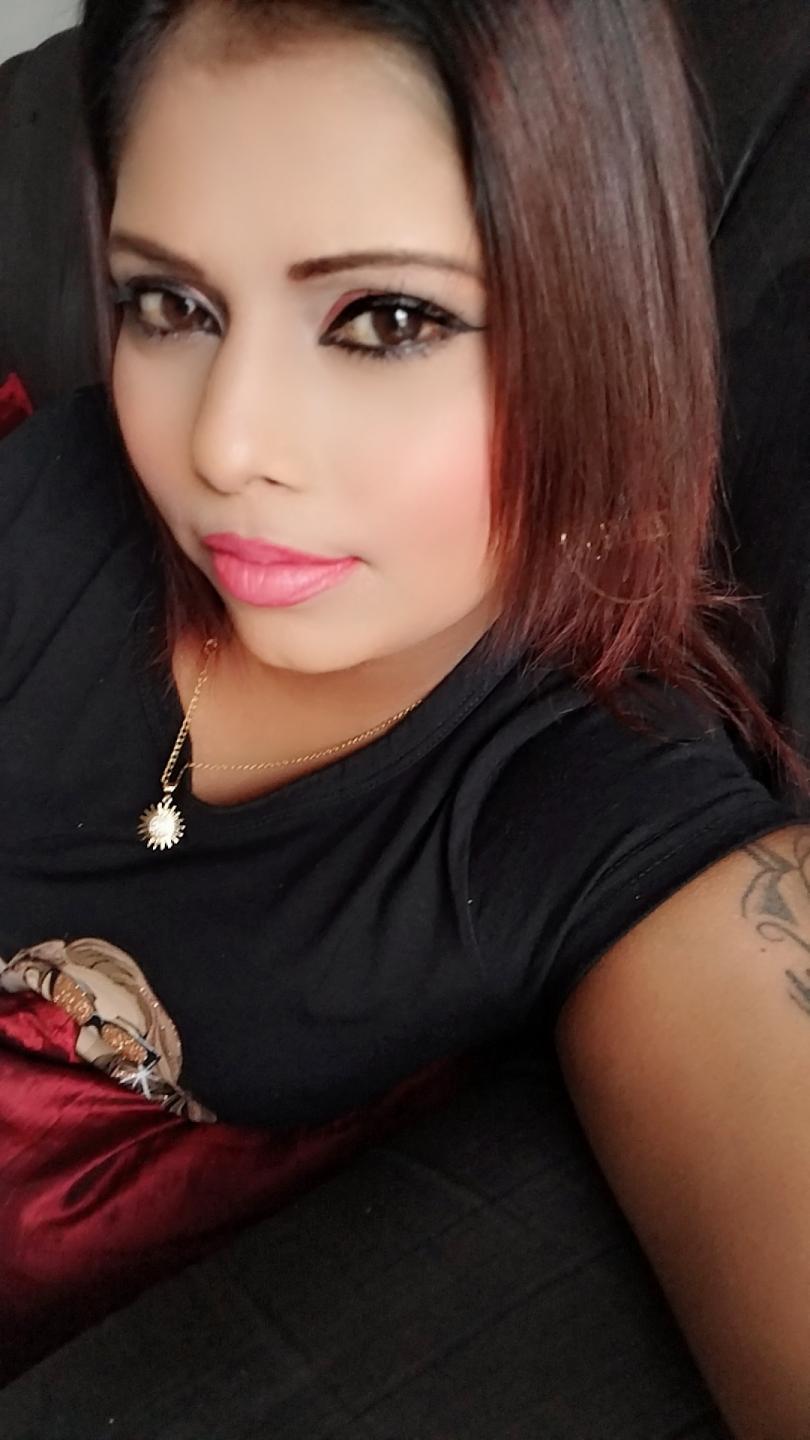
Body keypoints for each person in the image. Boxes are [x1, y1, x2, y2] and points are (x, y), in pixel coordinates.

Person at [0, 0, 808, 1430]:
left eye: (386, 319)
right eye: (171, 305)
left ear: (602, 326)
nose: (226, 446)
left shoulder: (603, 823)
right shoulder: (57, 502)